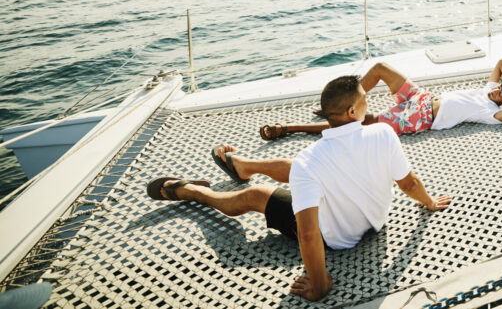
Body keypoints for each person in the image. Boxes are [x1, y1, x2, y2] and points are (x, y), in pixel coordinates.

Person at [146, 74, 450, 301]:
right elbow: (408, 182)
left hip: (337, 238)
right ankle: (243, 166)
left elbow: (307, 232)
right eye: (365, 102)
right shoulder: (383, 134)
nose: (368, 106)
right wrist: (429, 202)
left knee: (254, 195)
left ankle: (191, 191)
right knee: (300, 170)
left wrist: (319, 285)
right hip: (373, 221)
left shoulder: (311, 159)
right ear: (352, 113)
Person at [258, 58, 502, 139]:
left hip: (420, 118)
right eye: (499, 87)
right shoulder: (490, 90)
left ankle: (289, 128)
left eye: (500, 93)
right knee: (380, 68)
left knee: (363, 122)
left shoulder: (492, 113)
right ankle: (343, 102)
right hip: (421, 97)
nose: (495, 90)